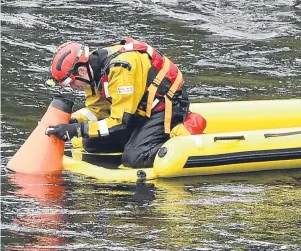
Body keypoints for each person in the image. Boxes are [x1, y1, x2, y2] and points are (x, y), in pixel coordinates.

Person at [45, 37, 206, 168]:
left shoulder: (120, 70)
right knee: (92, 144)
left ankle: (184, 130)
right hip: (139, 108)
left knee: (135, 157)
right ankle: (140, 139)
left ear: (80, 71)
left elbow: (118, 121)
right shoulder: (92, 73)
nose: (73, 87)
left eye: (71, 83)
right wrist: (71, 121)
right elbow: (98, 110)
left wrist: (76, 130)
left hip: (166, 106)